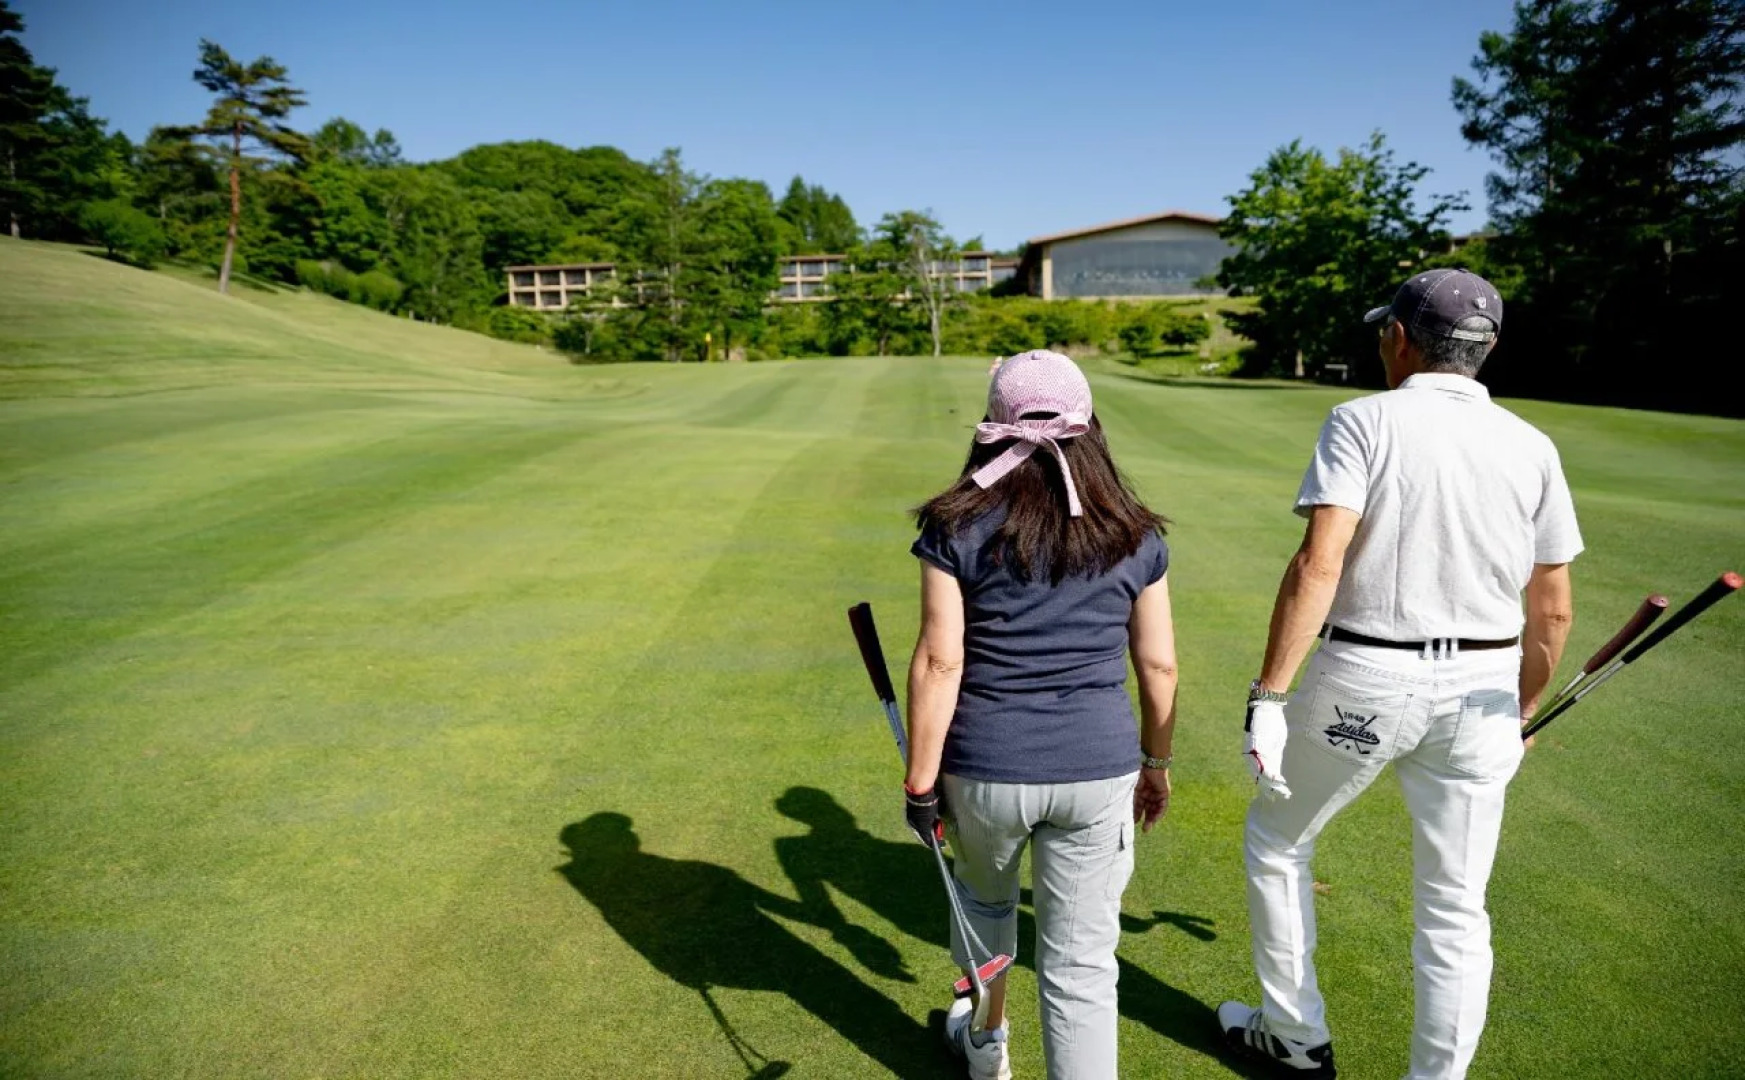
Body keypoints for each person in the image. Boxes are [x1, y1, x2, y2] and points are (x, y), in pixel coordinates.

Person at [1219, 269, 1582, 1079]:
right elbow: (1552, 610)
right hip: (1484, 692)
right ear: (1487, 348)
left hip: (1365, 676)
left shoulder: (1361, 420)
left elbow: (1319, 563)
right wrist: (1522, 710)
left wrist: (1269, 695)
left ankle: (1294, 1038)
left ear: (1398, 339)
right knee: (1455, 905)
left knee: (1278, 842)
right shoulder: (1532, 444)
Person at [901, 349, 1179, 1080]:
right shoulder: (1136, 532)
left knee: (985, 913)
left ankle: (986, 1041)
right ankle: (993, 1042)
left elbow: (939, 663)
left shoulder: (954, 523)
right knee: (1081, 965)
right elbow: (1158, 667)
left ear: (994, 422)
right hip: (1099, 770)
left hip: (985, 769)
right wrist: (1156, 763)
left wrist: (920, 784)